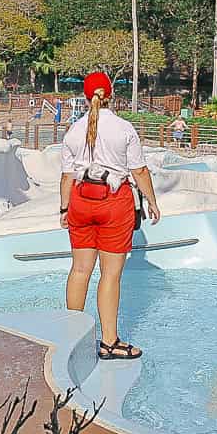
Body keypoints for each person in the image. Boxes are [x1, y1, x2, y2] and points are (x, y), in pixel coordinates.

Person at [60, 71, 161, 362]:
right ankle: (109, 342)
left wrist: (65, 209)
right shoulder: (124, 128)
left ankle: (71, 338)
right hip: (114, 202)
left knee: (80, 270)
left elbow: (67, 176)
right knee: (110, 274)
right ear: (111, 95)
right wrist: (152, 201)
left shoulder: (73, 131)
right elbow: (139, 171)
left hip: (80, 200)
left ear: (84, 95)